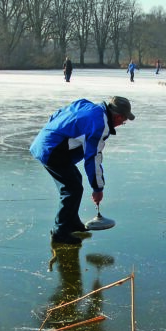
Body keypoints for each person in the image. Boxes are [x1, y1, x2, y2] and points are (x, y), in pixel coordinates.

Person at [30, 96, 135, 245]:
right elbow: (93, 157)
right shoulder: (99, 124)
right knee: (71, 189)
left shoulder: (88, 106)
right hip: (51, 150)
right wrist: (97, 188)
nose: (121, 124)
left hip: (47, 143)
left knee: (75, 181)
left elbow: (59, 114)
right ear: (118, 116)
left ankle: (71, 222)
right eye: (123, 121)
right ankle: (60, 232)